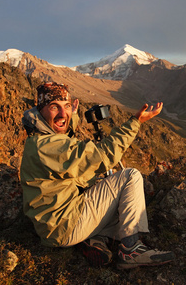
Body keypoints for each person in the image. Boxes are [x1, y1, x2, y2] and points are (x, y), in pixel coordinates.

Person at [20, 81, 175, 269]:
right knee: (130, 177)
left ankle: (96, 239)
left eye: (67, 106)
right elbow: (103, 155)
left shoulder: (40, 137)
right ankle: (131, 250)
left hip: (54, 223)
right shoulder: (45, 146)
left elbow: (63, 131)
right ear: (41, 110)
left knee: (113, 198)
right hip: (64, 226)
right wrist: (136, 122)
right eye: (54, 107)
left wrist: (73, 115)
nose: (63, 114)